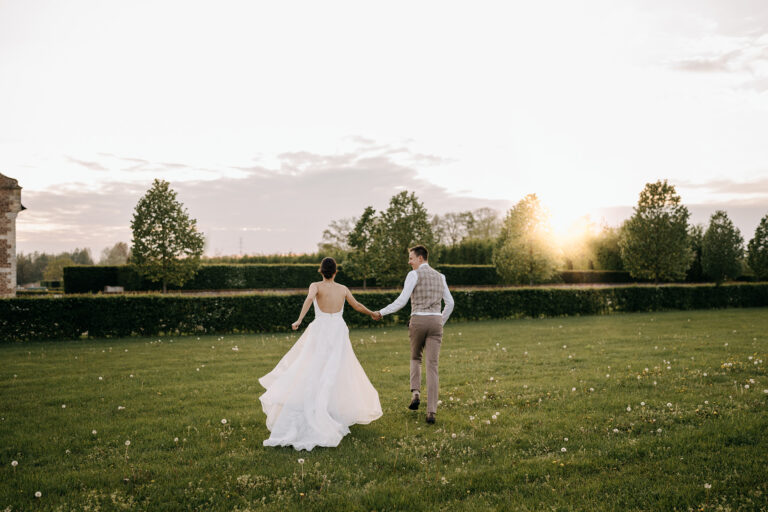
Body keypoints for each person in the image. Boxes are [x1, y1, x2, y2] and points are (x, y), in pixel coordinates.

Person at [259, 257, 382, 451]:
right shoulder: (343, 289)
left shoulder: (315, 286)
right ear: (335, 272)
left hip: (322, 330)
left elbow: (309, 299)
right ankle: (324, 410)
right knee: (334, 371)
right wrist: (372, 313)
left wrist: (299, 320)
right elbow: (357, 305)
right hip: (337, 331)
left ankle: (324, 409)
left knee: (313, 368)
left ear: (320, 271)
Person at [372, 245, 453, 424]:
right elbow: (450, 303)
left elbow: (402, 300)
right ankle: (431, 412)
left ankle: (415, 393)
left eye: (411, 258)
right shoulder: (441, 277)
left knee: (416, 357)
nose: (409, 262)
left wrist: (381, 312)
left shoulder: (414, 275)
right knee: (433, 366)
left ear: (420, 258)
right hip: (436, 322)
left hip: (418, 320)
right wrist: (440, 320)